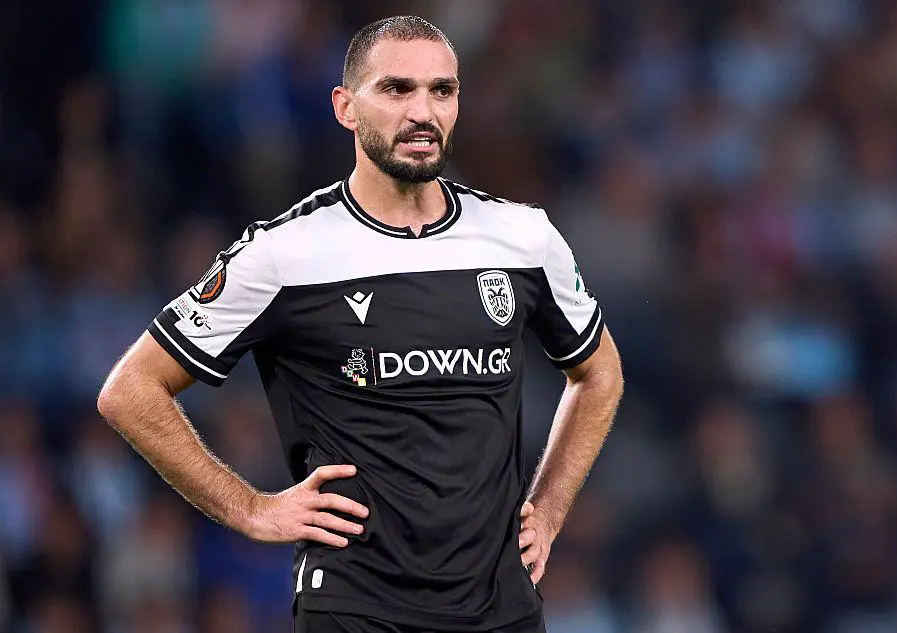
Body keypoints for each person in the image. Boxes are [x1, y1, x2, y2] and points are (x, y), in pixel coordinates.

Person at [97, 15, 623, 633]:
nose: (422, 111)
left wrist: (551, 507)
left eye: (442, 90)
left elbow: (600, 372)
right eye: (397, 89)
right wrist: (249, 508)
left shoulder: (524, 238)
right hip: (356, 608)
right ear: (345, 107)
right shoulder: (284, 254)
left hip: (501, 606)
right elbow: (130, 390)